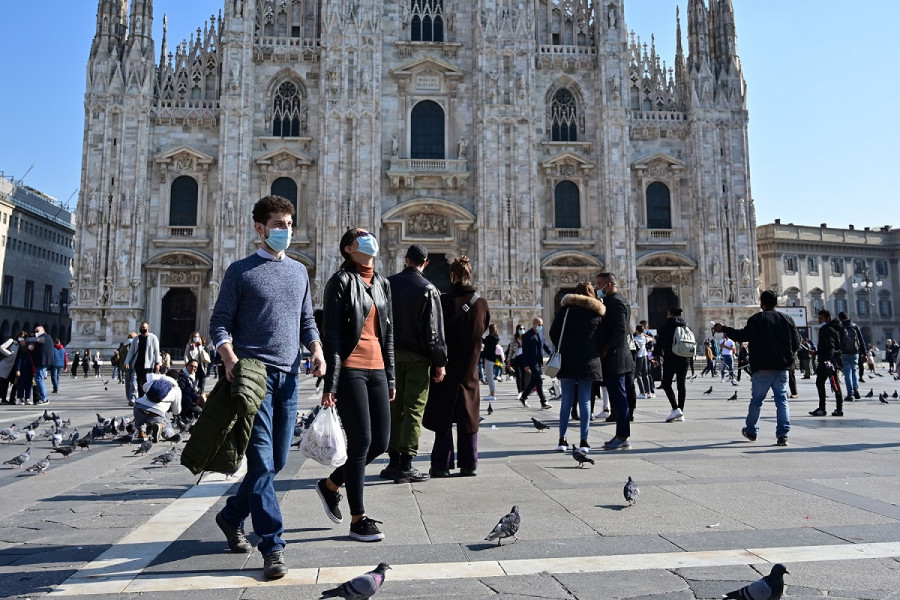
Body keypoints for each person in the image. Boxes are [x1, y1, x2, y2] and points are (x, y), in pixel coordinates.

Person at [209, 195, 324, 579]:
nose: (286, 231)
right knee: (260, 463)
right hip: (253, 377)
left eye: (289, 224)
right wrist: (230, 359)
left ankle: (230, 516)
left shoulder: (299, 272)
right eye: (279, 225)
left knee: (274, 462)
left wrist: (317, 349)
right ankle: (273, 546)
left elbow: (307, 320)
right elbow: (219, 324)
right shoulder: (239, 272)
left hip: (289, 378)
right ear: (260, 228)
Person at [317, 227, 393, 543]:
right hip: (350, 369)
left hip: (377, 369)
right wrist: (329, 385)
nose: (368, 241)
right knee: (361, 441)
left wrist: (391, 376)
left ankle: (331, 484)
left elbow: (389, 334)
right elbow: (332, 335)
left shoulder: (382, 284)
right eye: (360, 238)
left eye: (369, 236)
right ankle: (358, 518)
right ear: (349, 249)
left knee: (381, 442)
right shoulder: (340, 282)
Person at [382, 244, 447, 484]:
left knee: (393, 407)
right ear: (426, 263)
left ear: (405, 259)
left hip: (390, 357)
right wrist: (439, 361)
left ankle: (392, 461)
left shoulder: (387, 284)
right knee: (413, 409)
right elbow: (434, 332)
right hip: (418, 359)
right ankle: (406, 464)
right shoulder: (428, 289)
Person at [423, 256, 490, 477]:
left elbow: (434, 333)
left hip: (445, 367)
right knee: (469, 416)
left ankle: (442, 465)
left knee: (444, 416)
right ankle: (469, 463)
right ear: (469, 274)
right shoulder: (481, 303)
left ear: (452, 275)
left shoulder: (442, 302)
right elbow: (484, 328)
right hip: (469, 368)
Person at [714, 290, 800, 446]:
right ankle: (782, 435)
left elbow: (743, 336)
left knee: (757, 401)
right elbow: (796, 342)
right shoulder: (787, 319)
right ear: (777, 303)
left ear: (762, 303)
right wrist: (788, 357)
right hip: (782, 367)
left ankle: (752, 431)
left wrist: (724, 329)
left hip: (762, 367)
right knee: (782, 401)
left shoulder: (757, 319)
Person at [548, 282, 605, 453]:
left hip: (567, 359)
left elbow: (553, 332)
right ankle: (584, 441)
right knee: (585, 401)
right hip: (589, 361)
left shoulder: (565, 312)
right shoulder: (596, 313)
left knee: (566, 400)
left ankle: (562, 440)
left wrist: (563, 346)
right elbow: (603, 337)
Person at [595, 273, 634, 450]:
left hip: (616, 358)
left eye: (599, 284)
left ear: (608, 285)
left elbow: (619, 329)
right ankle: (621, 435)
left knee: (619, 399)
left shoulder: (615, 302)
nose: (597, 288)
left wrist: (605, 349)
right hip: (620, 356)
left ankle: (622, 435)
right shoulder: (619, 300)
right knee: (619, 398)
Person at [656, 307, 692, 423]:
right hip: (685, 358)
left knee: (666, 384)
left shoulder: (668, 325)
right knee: (681, 385)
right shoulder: (686, 326)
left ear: (670, 314)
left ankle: (675, 408)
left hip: (671, 358)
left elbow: (660, 343)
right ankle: (681, 412)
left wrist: (653, 355)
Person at [810, 309, 844, 417]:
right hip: (828, 360)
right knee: (830, 383)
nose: (819, 320)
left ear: (827, 318)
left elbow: (830, 347)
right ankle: (833, 408)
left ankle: (826, 408)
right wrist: (816, 352)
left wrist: (828, 361)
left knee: (832, 383)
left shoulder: (827, 329)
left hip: (827, 362)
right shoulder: (830, 328)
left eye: (821, 318)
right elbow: (826, 347)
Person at [132, 372, 182, 442]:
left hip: (138, 408)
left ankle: (141, 431)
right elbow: (176, 411)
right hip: (156, 413)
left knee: (140, 417)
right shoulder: (176, 390)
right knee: (168, 429)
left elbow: (144, 387)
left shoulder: (155, 382)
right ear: (177, 380)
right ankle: (159, 425)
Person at [519, 317, 554, 409]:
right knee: (539, 381)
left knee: (534, 382)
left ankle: (523, 397)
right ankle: (543, 402)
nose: (541, 326)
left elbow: (544, 345)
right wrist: (525, 364)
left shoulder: (541, 333)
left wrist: (551, 353)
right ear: (534, 324)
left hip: (539, 361)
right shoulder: (527, 335)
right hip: (531, 362)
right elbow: (525, 351)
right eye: (539, 325)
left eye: (542, 325)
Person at [837, 311, 865, 402]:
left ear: (840, 318)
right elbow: (861, 340)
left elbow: (838, 341)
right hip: (855, 352)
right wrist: (864, 353)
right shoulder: (854, 326)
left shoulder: (840, 327)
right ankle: (856, 389)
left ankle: (850, 393)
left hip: (844, 353)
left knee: (847, 373)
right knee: (854, 371)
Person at [125, 322, 162, 391]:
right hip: (138, 364)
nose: (142, 329)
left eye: (144, 328)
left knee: (147, 382)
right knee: (139, 383)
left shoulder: (153, 338)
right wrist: (127, 362)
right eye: (141, 327)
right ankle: (141, 398)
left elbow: (157, 351)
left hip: (149, 364)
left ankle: (146, 398)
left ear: (148, 328)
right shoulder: (136, 339)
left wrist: (157, 363)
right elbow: (131, 351)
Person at [27, 326, 55, 404]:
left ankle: (44, 398)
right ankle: (43, 398)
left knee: (39, 379)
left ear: (43, 330)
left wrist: (26, 340)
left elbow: (36, 339)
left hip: (43, 362)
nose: (36, 332)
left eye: (37, 331)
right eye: (35, 331)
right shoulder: (45, 337)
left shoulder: (44, 337)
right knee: (39, 379)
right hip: (43, 362)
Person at [14, 334, 35, 404]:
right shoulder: (23, 352)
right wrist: (18, 370)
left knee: (29, 385)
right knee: (21, 385)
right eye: (31, 345)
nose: (32, 346)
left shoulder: (32, 353)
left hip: (30, 371)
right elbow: (19, 361)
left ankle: (27, 398)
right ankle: (21, 399)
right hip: (22, 370)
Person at [481, 324, 500, 401]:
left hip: (488, 358)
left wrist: (479, 334)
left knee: (489, 376)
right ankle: (491, 393)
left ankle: (492, 394)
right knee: (490, 376)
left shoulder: (489, 337)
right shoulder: (496, 337)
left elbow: (484, 341)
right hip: (492, 358)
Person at [633, 325, 652, 397]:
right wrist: (644, 334)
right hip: (645, 356)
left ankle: (642, 392)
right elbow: (651, 339)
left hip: (638, 357)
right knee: (645, 374)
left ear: (637, 330)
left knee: (638, 375)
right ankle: (648, 392)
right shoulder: (644, 338)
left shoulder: (635, 338)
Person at [507, 326, 526, 394]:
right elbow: (510, 350)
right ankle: (520, 391)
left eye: (523, 329)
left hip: (524, 357)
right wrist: (508, 361)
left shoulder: (526, 337)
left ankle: (523, 390)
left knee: (524, 375)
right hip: (516, 358)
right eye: (521, 329)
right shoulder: (514, 338)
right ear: (517, 330)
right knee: (518, 375)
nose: (522, 330)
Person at [0, 337, 18, 404]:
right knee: (4, 383)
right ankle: (3, 399)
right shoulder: (12, 341)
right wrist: (9, 354)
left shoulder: (23, 344)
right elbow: (1, 347)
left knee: (16, 383)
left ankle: (12, 399)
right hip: (6, 366)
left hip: (15, 367)